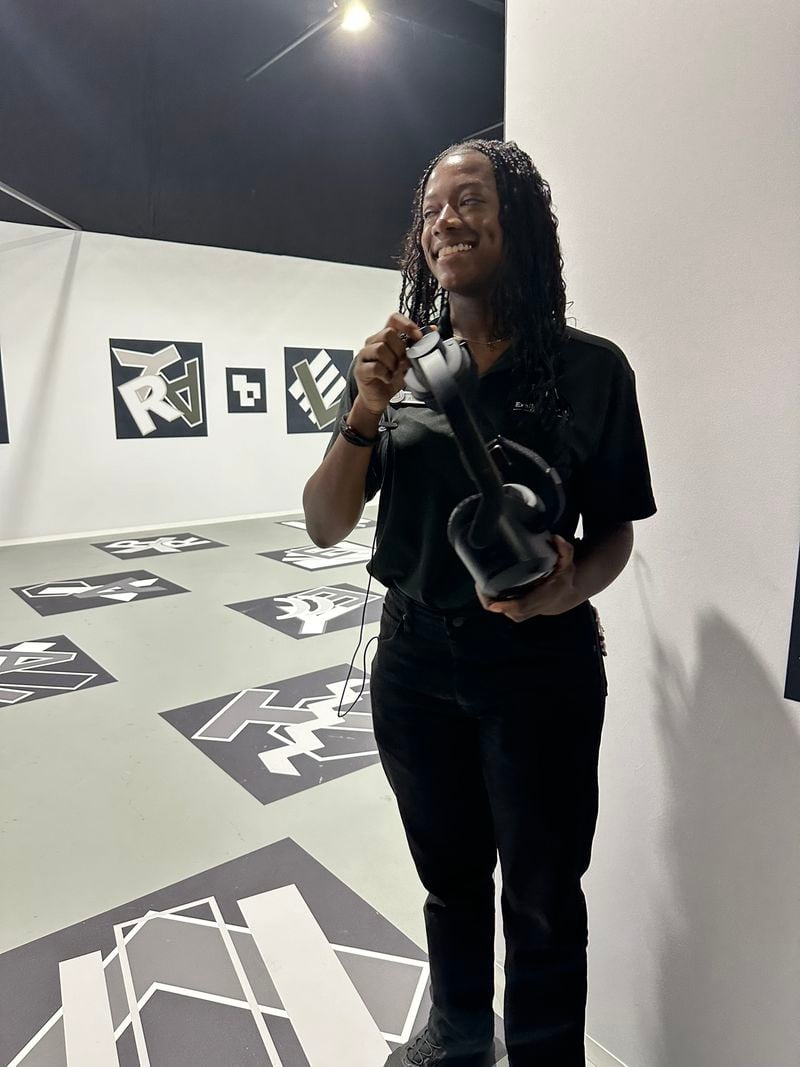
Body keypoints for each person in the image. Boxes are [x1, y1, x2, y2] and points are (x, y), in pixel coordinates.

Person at [303, 140, 656, 1067]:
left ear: (521, 222)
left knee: (541, 892)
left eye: (469, 200)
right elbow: (325, 522)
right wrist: (363, 408)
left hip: (539, 668)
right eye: (431, 209)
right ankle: (459, 1032)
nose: (446, 220)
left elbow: (615, 533)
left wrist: (566, 589)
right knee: (449, 875)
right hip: (415, 663)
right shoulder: (403, 370)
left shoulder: (592, 371)